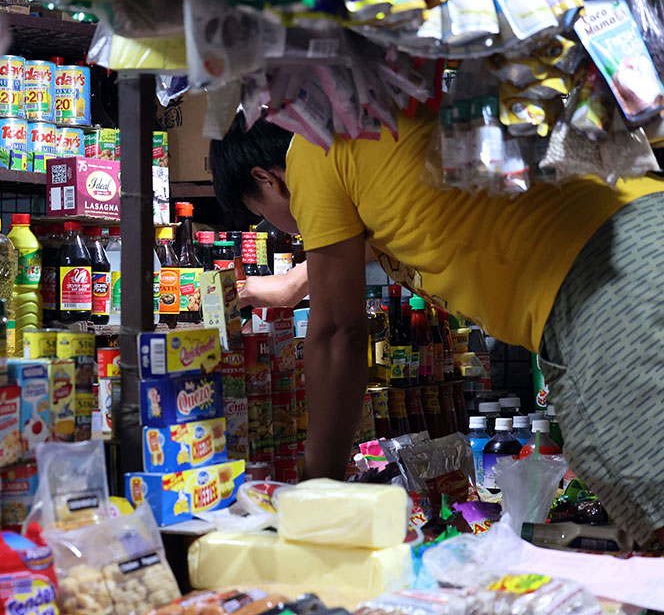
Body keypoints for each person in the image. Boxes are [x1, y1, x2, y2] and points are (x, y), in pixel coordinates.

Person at [211, 111, 664, 547]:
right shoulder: (370, 124)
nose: (281, 226)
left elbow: (337, 335)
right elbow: (405, 220)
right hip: (643, 227)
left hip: (607, 290)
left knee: (647, 502)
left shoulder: (309, 154)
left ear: (270, 179)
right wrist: (294, 282)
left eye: (264, 213)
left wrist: (313, 495)